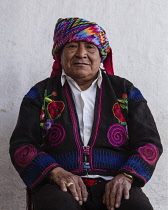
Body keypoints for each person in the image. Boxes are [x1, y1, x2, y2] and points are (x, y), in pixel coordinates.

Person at [10, 17, 163, 210]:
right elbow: (22, 145)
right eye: (72, 46)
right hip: (60, 186)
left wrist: (126, 176)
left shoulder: (124, 91)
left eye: (90, 47)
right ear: (59, 54)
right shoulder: (40, 94)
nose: (81, 54)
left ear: (101, 55)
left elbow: (149, 143)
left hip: (115, 182)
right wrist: (56, 172)